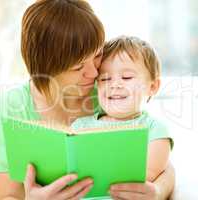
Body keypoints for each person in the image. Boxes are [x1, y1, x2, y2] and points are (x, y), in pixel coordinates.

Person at [0, 1, 175, 199]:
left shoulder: (107, 92)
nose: (94, 73)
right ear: (46, 69)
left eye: (97, 55)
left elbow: (162, 166)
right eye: (78, 67)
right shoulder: (10, 110)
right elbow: (7, 195)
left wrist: (158, 191)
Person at [71, 36, 174, 198]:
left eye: (126, 77)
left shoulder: (155, 130)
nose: (115, 84)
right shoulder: (79, 126)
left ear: (152, 86)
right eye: (104, 79)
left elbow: (147, 175)